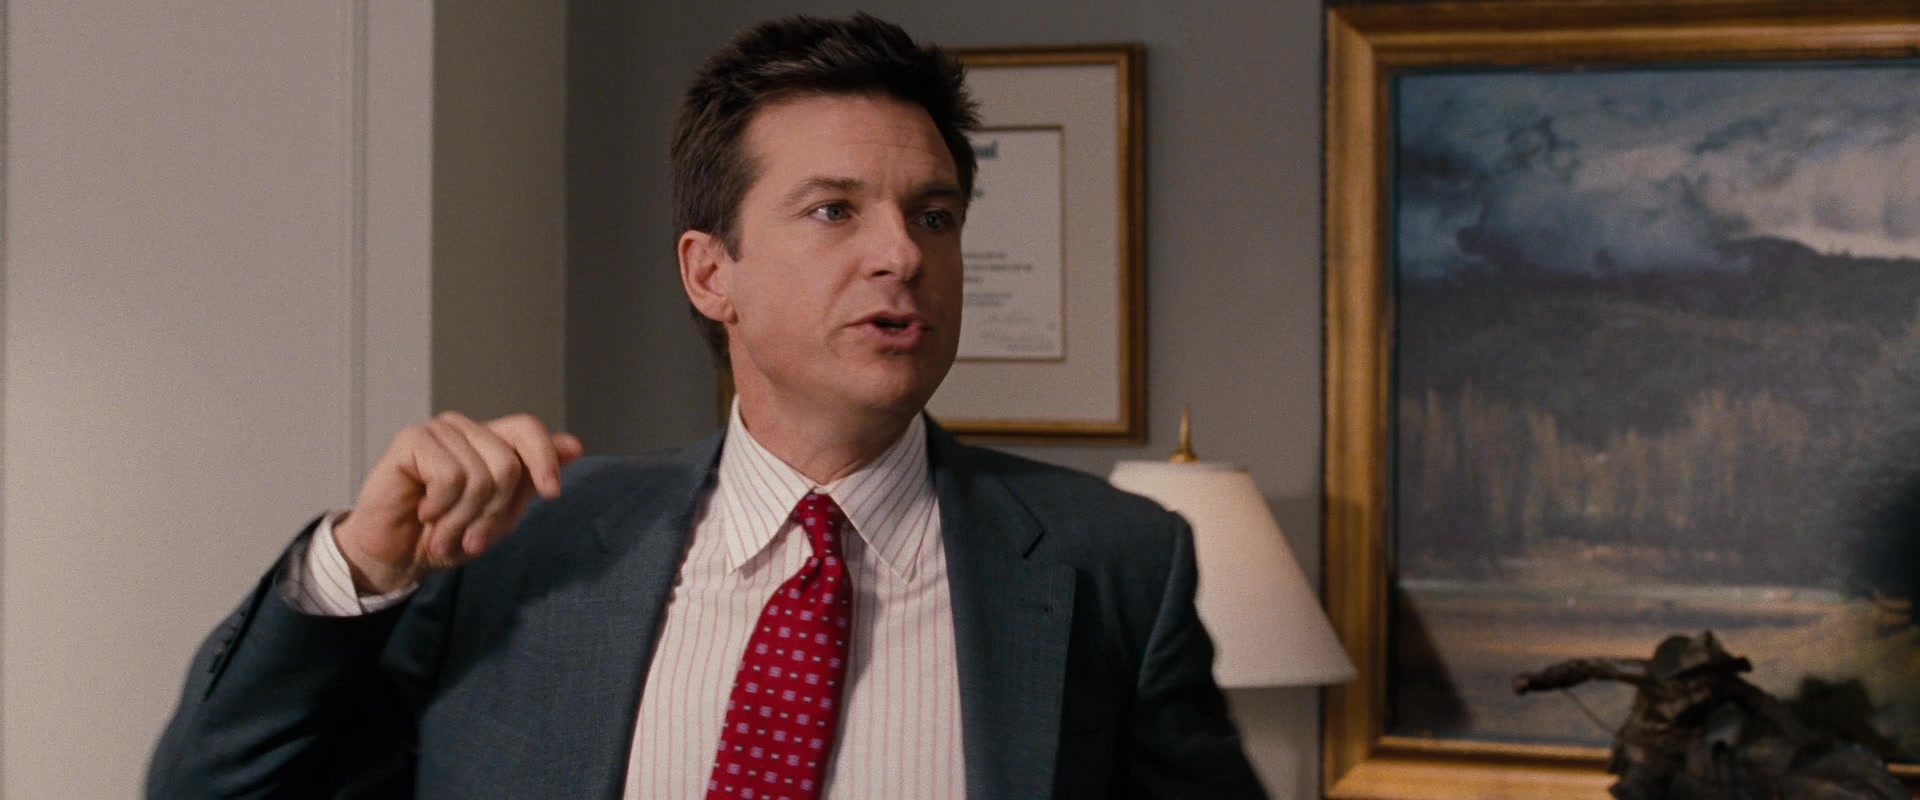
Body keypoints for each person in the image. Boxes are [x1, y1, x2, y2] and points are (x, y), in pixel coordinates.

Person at [147, 13, 1264, 799]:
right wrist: (359, 564)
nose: (901, 254)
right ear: (709, 272)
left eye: (934, 215)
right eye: (834, 211)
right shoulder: (520, 547)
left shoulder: (1116, 563)